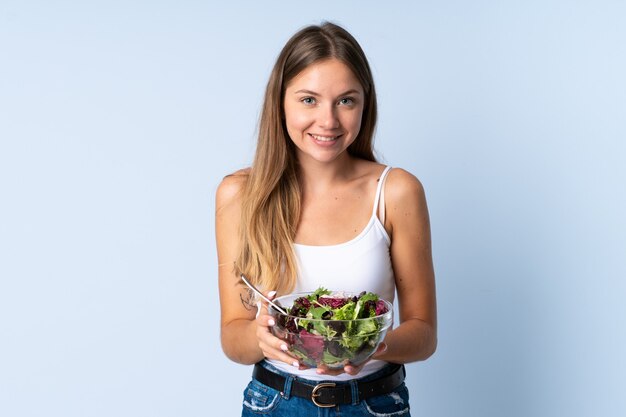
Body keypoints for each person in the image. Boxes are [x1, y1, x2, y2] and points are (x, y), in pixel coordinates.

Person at [215, 21, 437, 416]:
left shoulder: (396, 191)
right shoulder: (239, 195)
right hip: (275, 404)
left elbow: (423, 332)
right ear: (280, 102)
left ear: (364, 104)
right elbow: (233, 336)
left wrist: (373, 346)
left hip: (373, 404)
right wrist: (259, 337)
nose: (329, 121)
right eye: (308, 100)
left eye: (346, 101)